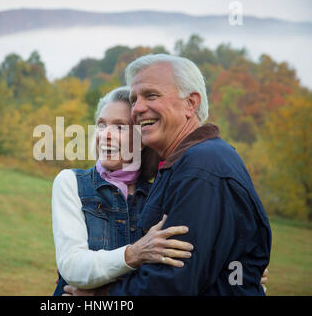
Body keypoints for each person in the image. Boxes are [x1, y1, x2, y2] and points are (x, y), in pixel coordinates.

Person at [64, 54, 272, 296]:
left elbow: (174, 284)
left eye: (151, 95)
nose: (138, 108)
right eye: (134, 99)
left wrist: (102, 296)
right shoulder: (187, 163)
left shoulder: (200, 168)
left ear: (191, 103)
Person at [52, 87, 195, 295]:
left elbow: (180, 267)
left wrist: (236, 265)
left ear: (142, 139)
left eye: (120, 127)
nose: (106, 135)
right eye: (102, 125)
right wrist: (135, 253)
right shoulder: (71, 182)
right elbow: (73, 267)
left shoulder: (158, 193)